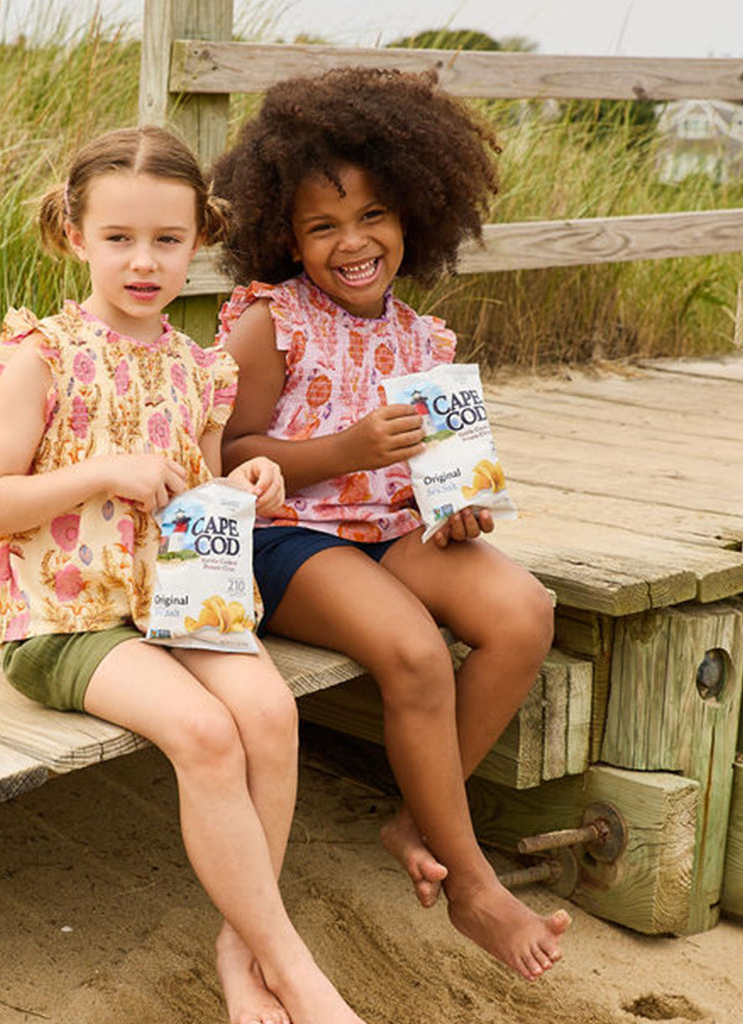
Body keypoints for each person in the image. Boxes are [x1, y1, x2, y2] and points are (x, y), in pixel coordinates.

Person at [0, 125, 368, 1024]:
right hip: (67, 622)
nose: (143, 262)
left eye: (167, 240)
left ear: (201, 239)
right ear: (75, 235)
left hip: (177, 601)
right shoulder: (44, 355)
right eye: (118, 238)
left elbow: (202, 483)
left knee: (269, 711)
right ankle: (291, 967)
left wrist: (248, 484)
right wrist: (103, 472)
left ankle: (241, 944)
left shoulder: (201, 370)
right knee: (205, 734)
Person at [211, 68, 570, 982]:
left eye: (373, 215)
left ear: (414, 212)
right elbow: (227, 455)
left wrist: (457, 507)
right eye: (321, 225)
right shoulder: (269, 324)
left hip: (390, 530)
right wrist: (347, 447)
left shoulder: (428, 341)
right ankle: (473, 884)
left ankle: (420, 817)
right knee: (412, 650)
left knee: (524, 610)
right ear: (284, 235)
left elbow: (432, 477)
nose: (353, 241)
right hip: (285, 532)